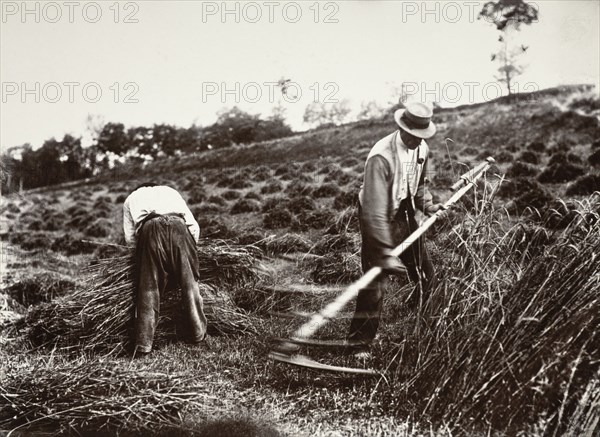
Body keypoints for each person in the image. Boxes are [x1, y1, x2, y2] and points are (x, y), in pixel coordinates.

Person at [347, 102, 446, 358]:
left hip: (404, 209)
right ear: (402, 127)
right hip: (376, 215)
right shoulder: (382, 157)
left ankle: (425, 325)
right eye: (413, 135)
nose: (417, 140)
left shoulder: (421, 148)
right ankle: (359, 344)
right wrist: (383, 250)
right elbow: (375, 211)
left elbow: (419, 183)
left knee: (425, 272)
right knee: (375, 282)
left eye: (422, 136)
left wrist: (430, 206)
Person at [123, 183, 207, 357]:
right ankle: (198, 335)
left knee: (148, 289)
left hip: (150, 229)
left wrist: (141, 260)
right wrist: (189, 253)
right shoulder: (170, 191)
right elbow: (193, 226)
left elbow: (130, 239)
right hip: (178, 226)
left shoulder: (131, 199)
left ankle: (144, 345)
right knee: (190, 284)